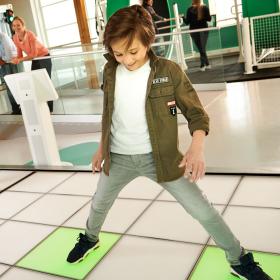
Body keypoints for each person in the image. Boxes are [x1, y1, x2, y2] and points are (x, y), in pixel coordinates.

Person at [66, 5, 272, 280]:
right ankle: (90, 238)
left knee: (202, 210)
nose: (126, 60)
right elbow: (109, 112)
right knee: (99, 203)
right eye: (118, 53)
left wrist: (196, 148)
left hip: (161, 159)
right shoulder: (111, 72)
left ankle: (238, 258)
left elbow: (197, 114)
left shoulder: (169, 71)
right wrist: (102, 147)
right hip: (119, 157)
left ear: (148, 41)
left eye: (133, 52)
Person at [10, 16, 53, 112]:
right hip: (35, 59)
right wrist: (14, 59)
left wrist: (19, 60)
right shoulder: (15, 37)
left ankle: (50, 109)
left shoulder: (30, 34)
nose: (16, 27)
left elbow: (34, 54)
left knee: (45, 83)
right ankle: (41, 107)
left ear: (23, 25)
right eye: (14, 25)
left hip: (44, 56)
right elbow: (19, 54)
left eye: (18, 25)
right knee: (34, 83)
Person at [184, 0, 211, 71]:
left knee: (201, 48)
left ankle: (203, 64)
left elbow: (187, 22)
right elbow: (209, 19)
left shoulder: (190, 9)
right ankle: (206, 64)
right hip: (203, 30)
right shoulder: (205, 8)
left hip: (195, 31)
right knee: (202, 48)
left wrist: (182, 17)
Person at [0, 31, 21, 114]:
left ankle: (18, 107)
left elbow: (9, 54)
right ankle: (15, 108)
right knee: (9, 87)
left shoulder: (4, 37)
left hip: (9, 64)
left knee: (13, 86)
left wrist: (2, 60)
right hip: (3, 64)